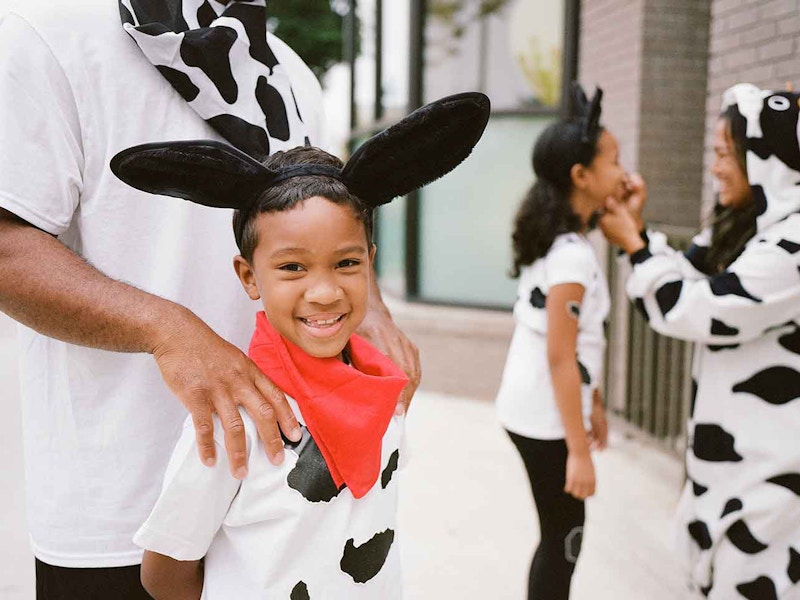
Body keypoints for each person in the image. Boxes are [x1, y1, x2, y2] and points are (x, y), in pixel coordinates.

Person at [0, 1, 419, 597]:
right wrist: (167, 330)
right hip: (115, 505)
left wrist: (370, 307)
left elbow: (330, 219)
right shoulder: (47, 35)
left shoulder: (289, 71)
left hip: (281, 510)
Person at [108, 92, 490, 599]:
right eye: (292, 267)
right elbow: (166, 570)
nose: (326, 291)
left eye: (347, 263)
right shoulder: (237, 418)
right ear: (249, 275)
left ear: (370, 261)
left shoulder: (388, 386)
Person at [600, 83, 800, 598]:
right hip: (728, 474)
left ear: (764, 159)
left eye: (722, 153)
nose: (713, 167)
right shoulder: (753, 226)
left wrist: (635, 245)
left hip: (773, 479)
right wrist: (638, 236)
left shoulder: (792, 244)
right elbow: (685, 280)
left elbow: (697, 309)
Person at [494, 84, 618, 600]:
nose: (622, 173)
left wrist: (593, 403)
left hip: (534, 407)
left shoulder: (563, 239)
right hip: (544, 418)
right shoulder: (570, 256)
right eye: (613, 161)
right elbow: (561, 356)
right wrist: (578, 453)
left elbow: (574, 348)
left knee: (559, 534)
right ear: (581, 176)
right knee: (564, 537)